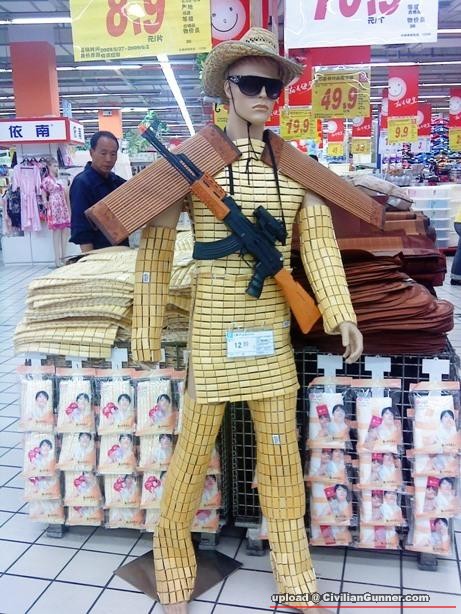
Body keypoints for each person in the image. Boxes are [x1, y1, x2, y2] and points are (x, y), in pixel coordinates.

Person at [147, 28, 362, 614]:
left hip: (269, 335)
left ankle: (294, 573)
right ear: (227, 88)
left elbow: (319, 248)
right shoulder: (192, 163)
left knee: (281, 458)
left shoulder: (295, 168)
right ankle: (172, 560)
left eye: (273, 87)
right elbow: (156, 247)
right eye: (251, 84)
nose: (264, 96)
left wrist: (341, 313)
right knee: (192, 454)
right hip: (213, 336)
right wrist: (146, 329)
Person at [69, 131, 128, 252]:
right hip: (99, 253)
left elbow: (136, 190)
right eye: (103, 153)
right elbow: (81, 229)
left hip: (121, 250)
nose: (108, 159)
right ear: (92, 153)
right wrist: (90, 259)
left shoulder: (115, 181)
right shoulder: (82, 183)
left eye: (113, 154)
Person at [41, 156, 71, 266]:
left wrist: (68, 208)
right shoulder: (46, 180)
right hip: (54, 205)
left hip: (62, 205)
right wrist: (45, 202)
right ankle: (57, 259)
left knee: (65, 231)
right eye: (54, 166)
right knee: (57, 232)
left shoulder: (60, 179)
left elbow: (66, 193)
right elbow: (43, 193)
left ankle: (64, 257)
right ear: (49, 167)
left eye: (57, 165)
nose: (56, 168)